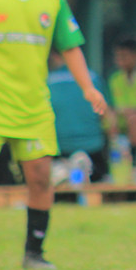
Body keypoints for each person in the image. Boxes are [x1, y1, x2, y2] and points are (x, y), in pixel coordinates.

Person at [0, 0, 107, 270]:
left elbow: (70, 48)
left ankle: (34, 253)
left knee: (40, 178)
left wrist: (88, 88)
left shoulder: (53, 2)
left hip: (34, 107)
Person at [48, 50, 109, 182]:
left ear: (54, 56)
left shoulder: (48, 80)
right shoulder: (94, 78)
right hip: (94, 149)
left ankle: (64, 170)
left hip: (60, 150)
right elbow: (108, 117)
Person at [107, 34, 136, 161]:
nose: (120, 61)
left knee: (134, 120)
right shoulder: (114, 78)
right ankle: (115, 160)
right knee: (110, 121)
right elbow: (110, 105)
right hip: (120, 118)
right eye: (118, 57)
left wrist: (132, 112)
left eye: (124, 57)